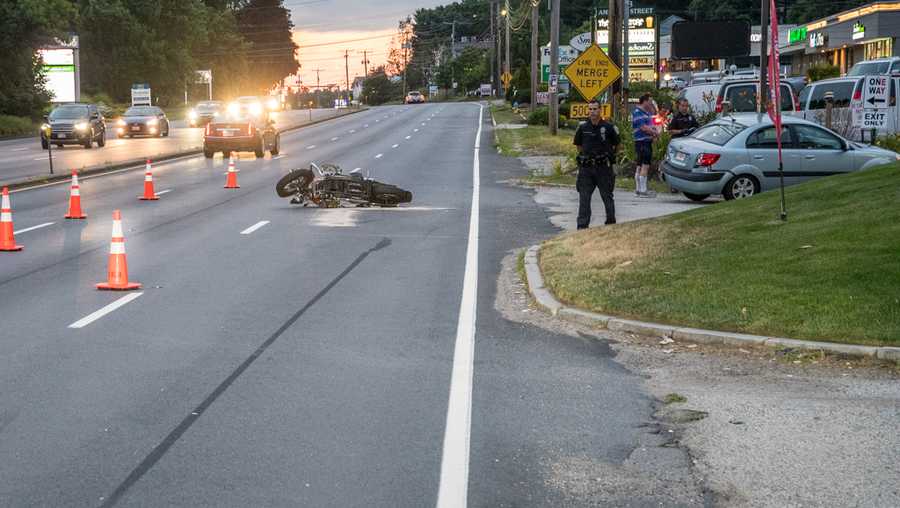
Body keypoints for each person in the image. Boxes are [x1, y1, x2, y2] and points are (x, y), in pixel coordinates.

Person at [573, 99, 620, 230]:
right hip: (586, 168)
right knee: (584, 198)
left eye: (595, 109)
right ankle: (582, 227)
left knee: (607, 196)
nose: (593, 112)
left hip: (603, 168)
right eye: (591, 109)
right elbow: (578, 145)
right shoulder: (583, 128)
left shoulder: (608, 127)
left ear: (600, 110)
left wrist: (609, 156)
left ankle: (610, 224)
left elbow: (617, 145)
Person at [632, 93, 658, 197]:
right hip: (642, 141)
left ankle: (638, 189)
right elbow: (643, 127)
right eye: (650, 101)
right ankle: (643, 190)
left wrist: (653, 131)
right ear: (645, 101)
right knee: (645, 165)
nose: (651, 103)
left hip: (646, 141)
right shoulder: (638, 112)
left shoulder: (646, 113)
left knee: (639, 164)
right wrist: (655, 133)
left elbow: (651, 126)